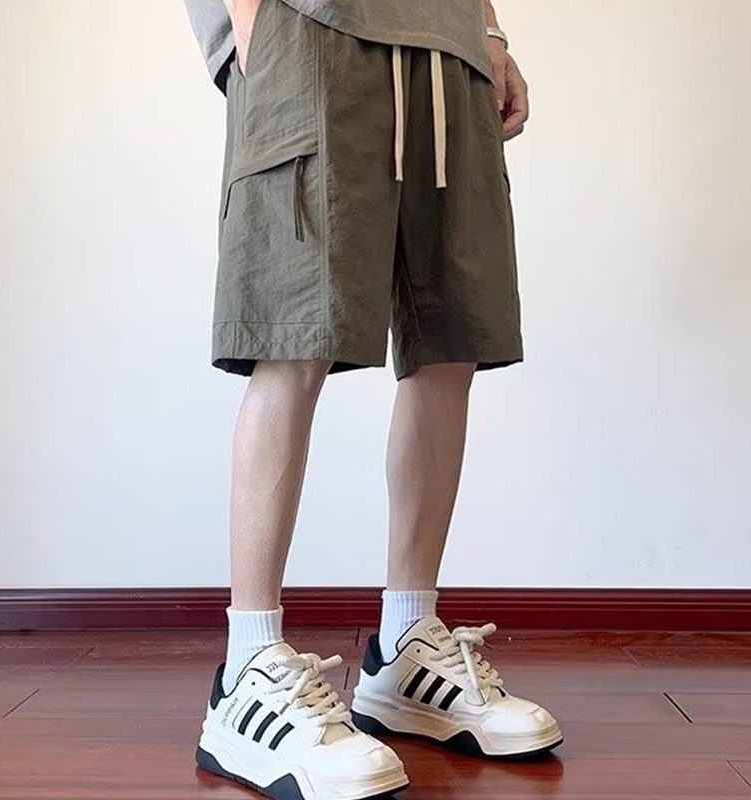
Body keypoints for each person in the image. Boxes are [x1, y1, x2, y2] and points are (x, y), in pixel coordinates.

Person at [183, 0, 562, 797]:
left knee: (450, 340)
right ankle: (246, 669)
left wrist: (490, 32)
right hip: (310, 23)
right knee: (291, 335)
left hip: (449, 46)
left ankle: (405, 647)